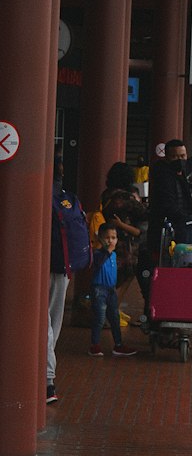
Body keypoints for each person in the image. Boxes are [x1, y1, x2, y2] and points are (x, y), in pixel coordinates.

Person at [48, 157, 92, 403]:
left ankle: (46, 379)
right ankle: (46, 376)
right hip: (62, 268)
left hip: (44, 267)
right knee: (53, 322)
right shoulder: (65, 196)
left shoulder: (39, 192)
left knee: (42, 324)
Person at [139, 139, 192, 311]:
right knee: (161, 270)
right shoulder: (163, 174)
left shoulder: (178, 173)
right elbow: (168, 205)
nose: (180, 160)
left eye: (183, 156)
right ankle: (158, 309)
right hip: (163, 232)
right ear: (167, 157)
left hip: (176, 229)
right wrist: (187, 217)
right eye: (175, 156)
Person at [88, 226, 137, 357]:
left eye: (113, 238)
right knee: (99, 318)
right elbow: (97, 263)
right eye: (107, 238)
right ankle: (94, 345)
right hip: (99, 289)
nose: (110, 241)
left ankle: (118, 345)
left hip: (111, 289)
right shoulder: (97, 254)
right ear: (101, 239)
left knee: (114, 318)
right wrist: (107, 251)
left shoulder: (114, 255)